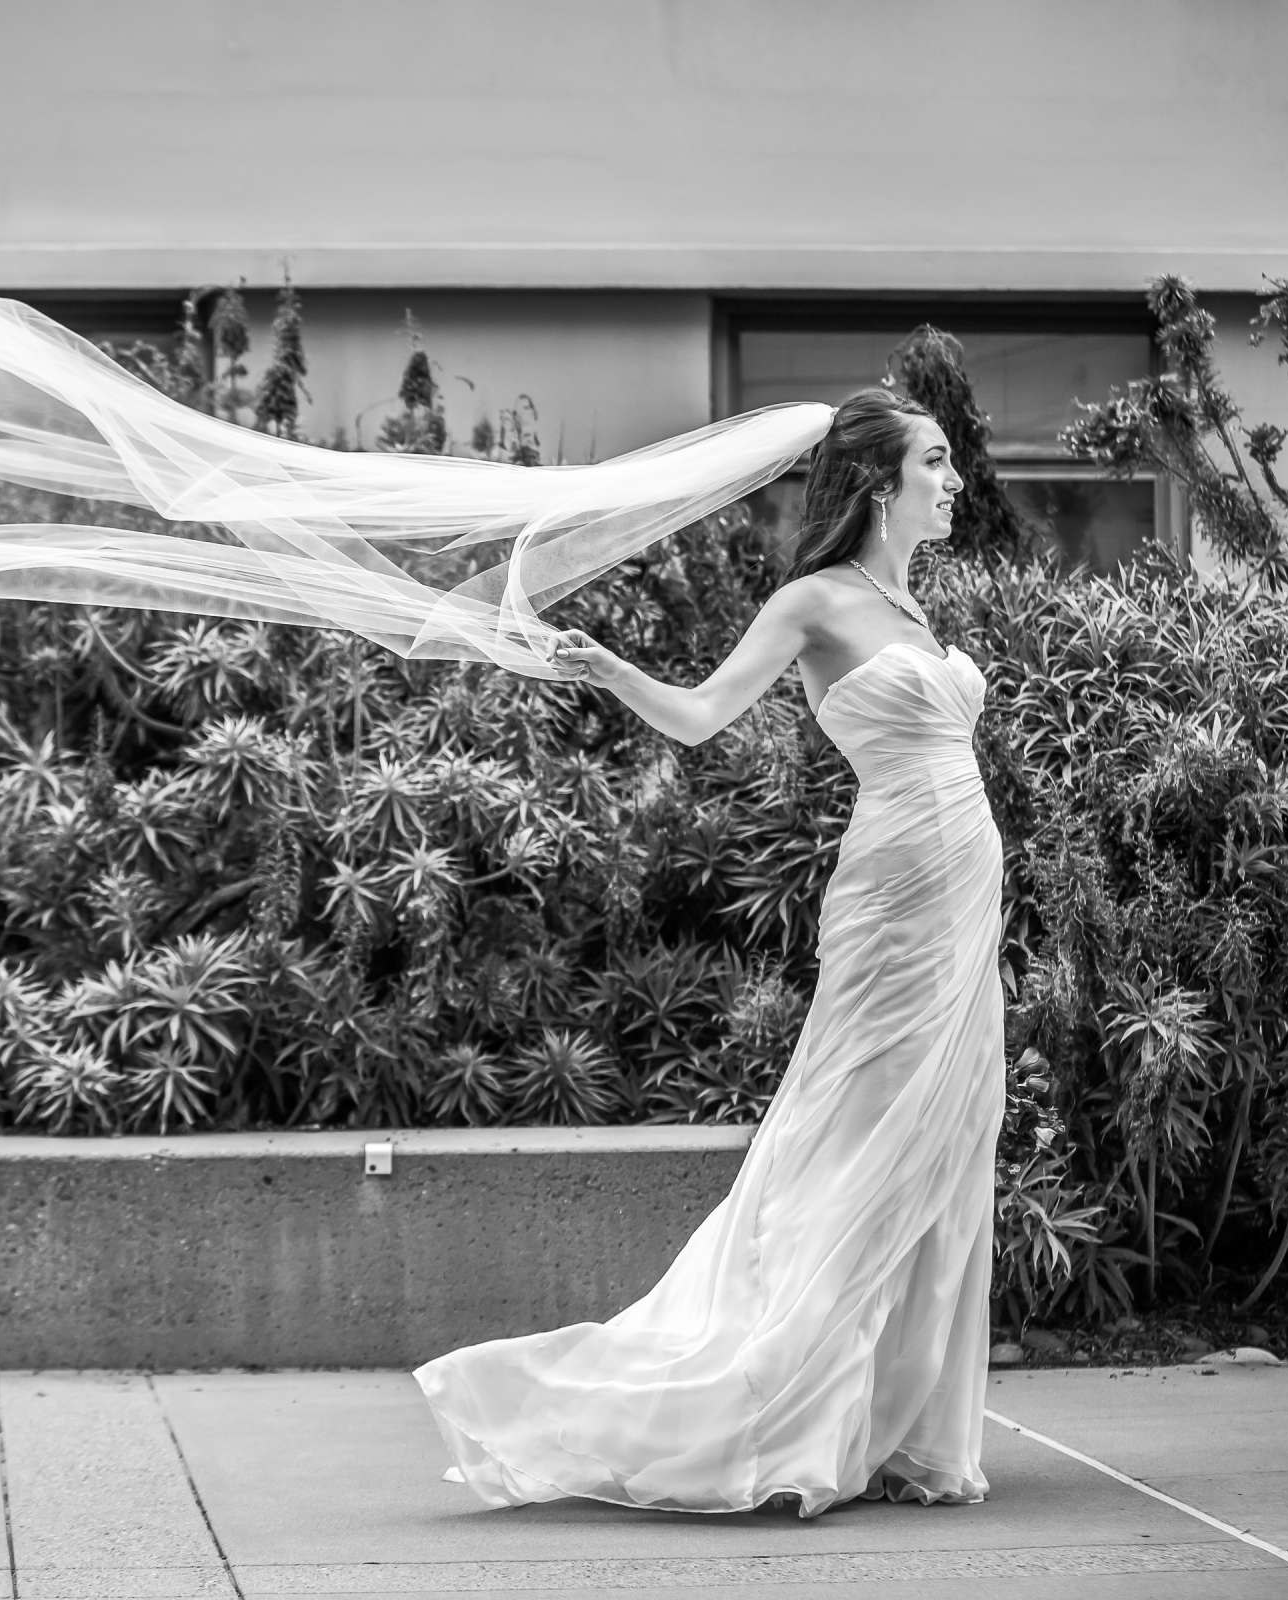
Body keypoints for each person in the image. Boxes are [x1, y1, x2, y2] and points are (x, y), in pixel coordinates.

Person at [414, 388, 1002, 1518]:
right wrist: (613, 670)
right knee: (853, 1138)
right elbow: (701, 715)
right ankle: (766, 1399)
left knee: (941, 1142)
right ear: (882, 482)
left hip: (962, 908)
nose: (958, 480)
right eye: (938, 462)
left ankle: (884, 1415)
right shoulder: (813, 601)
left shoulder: (915, 614)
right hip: (893, 903)